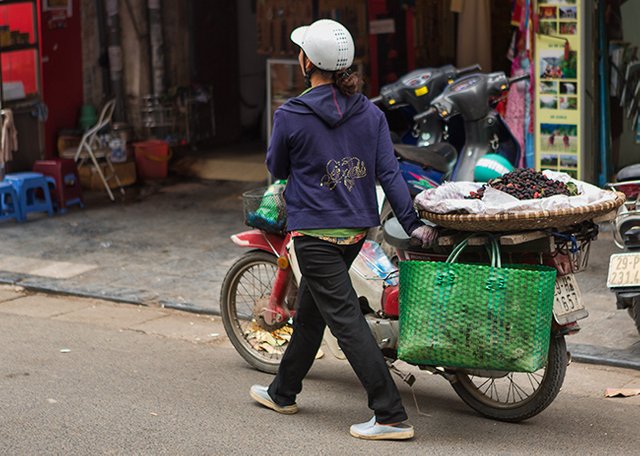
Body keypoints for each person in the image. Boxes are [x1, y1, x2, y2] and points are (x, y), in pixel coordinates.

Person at [249, 19, 436, 440]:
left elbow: (276, 168)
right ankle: (283, 391)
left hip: (314, 235)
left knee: (346, 322)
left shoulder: (291, 114)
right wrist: (414, 226)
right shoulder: (369, 113)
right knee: (312, 315)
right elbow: (390, 175)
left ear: (307, 62)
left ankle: (390, 414)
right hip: (355, 233)